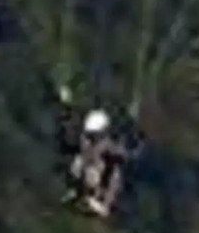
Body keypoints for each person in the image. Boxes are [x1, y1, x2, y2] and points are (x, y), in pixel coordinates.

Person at [56, 86, 141, 217]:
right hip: (88, 174)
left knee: (113, 171)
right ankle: (93, 198)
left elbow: (124, 155)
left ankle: (94, 198)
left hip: (92, 176)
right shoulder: (99, 143)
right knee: (112, 171)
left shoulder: (92, 141)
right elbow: (125, 155)